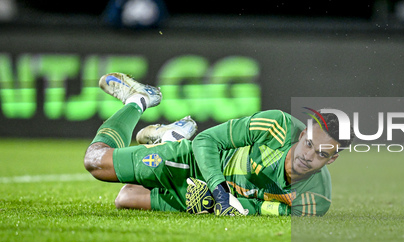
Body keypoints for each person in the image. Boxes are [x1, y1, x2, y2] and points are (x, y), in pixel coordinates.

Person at [84, 73, 350, 216]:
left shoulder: (316, 199)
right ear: (303, 134)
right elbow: (206, 140)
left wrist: (219, 203)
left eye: (322, 154)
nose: (309, 156)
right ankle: (139, 99)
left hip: (206, 197)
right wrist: (219, 189)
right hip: (199, 164)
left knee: (125, 198)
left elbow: (263, 210)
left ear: (333, 159)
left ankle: (167, 138)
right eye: (310, 144)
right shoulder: (276, 125)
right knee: (96, 162)